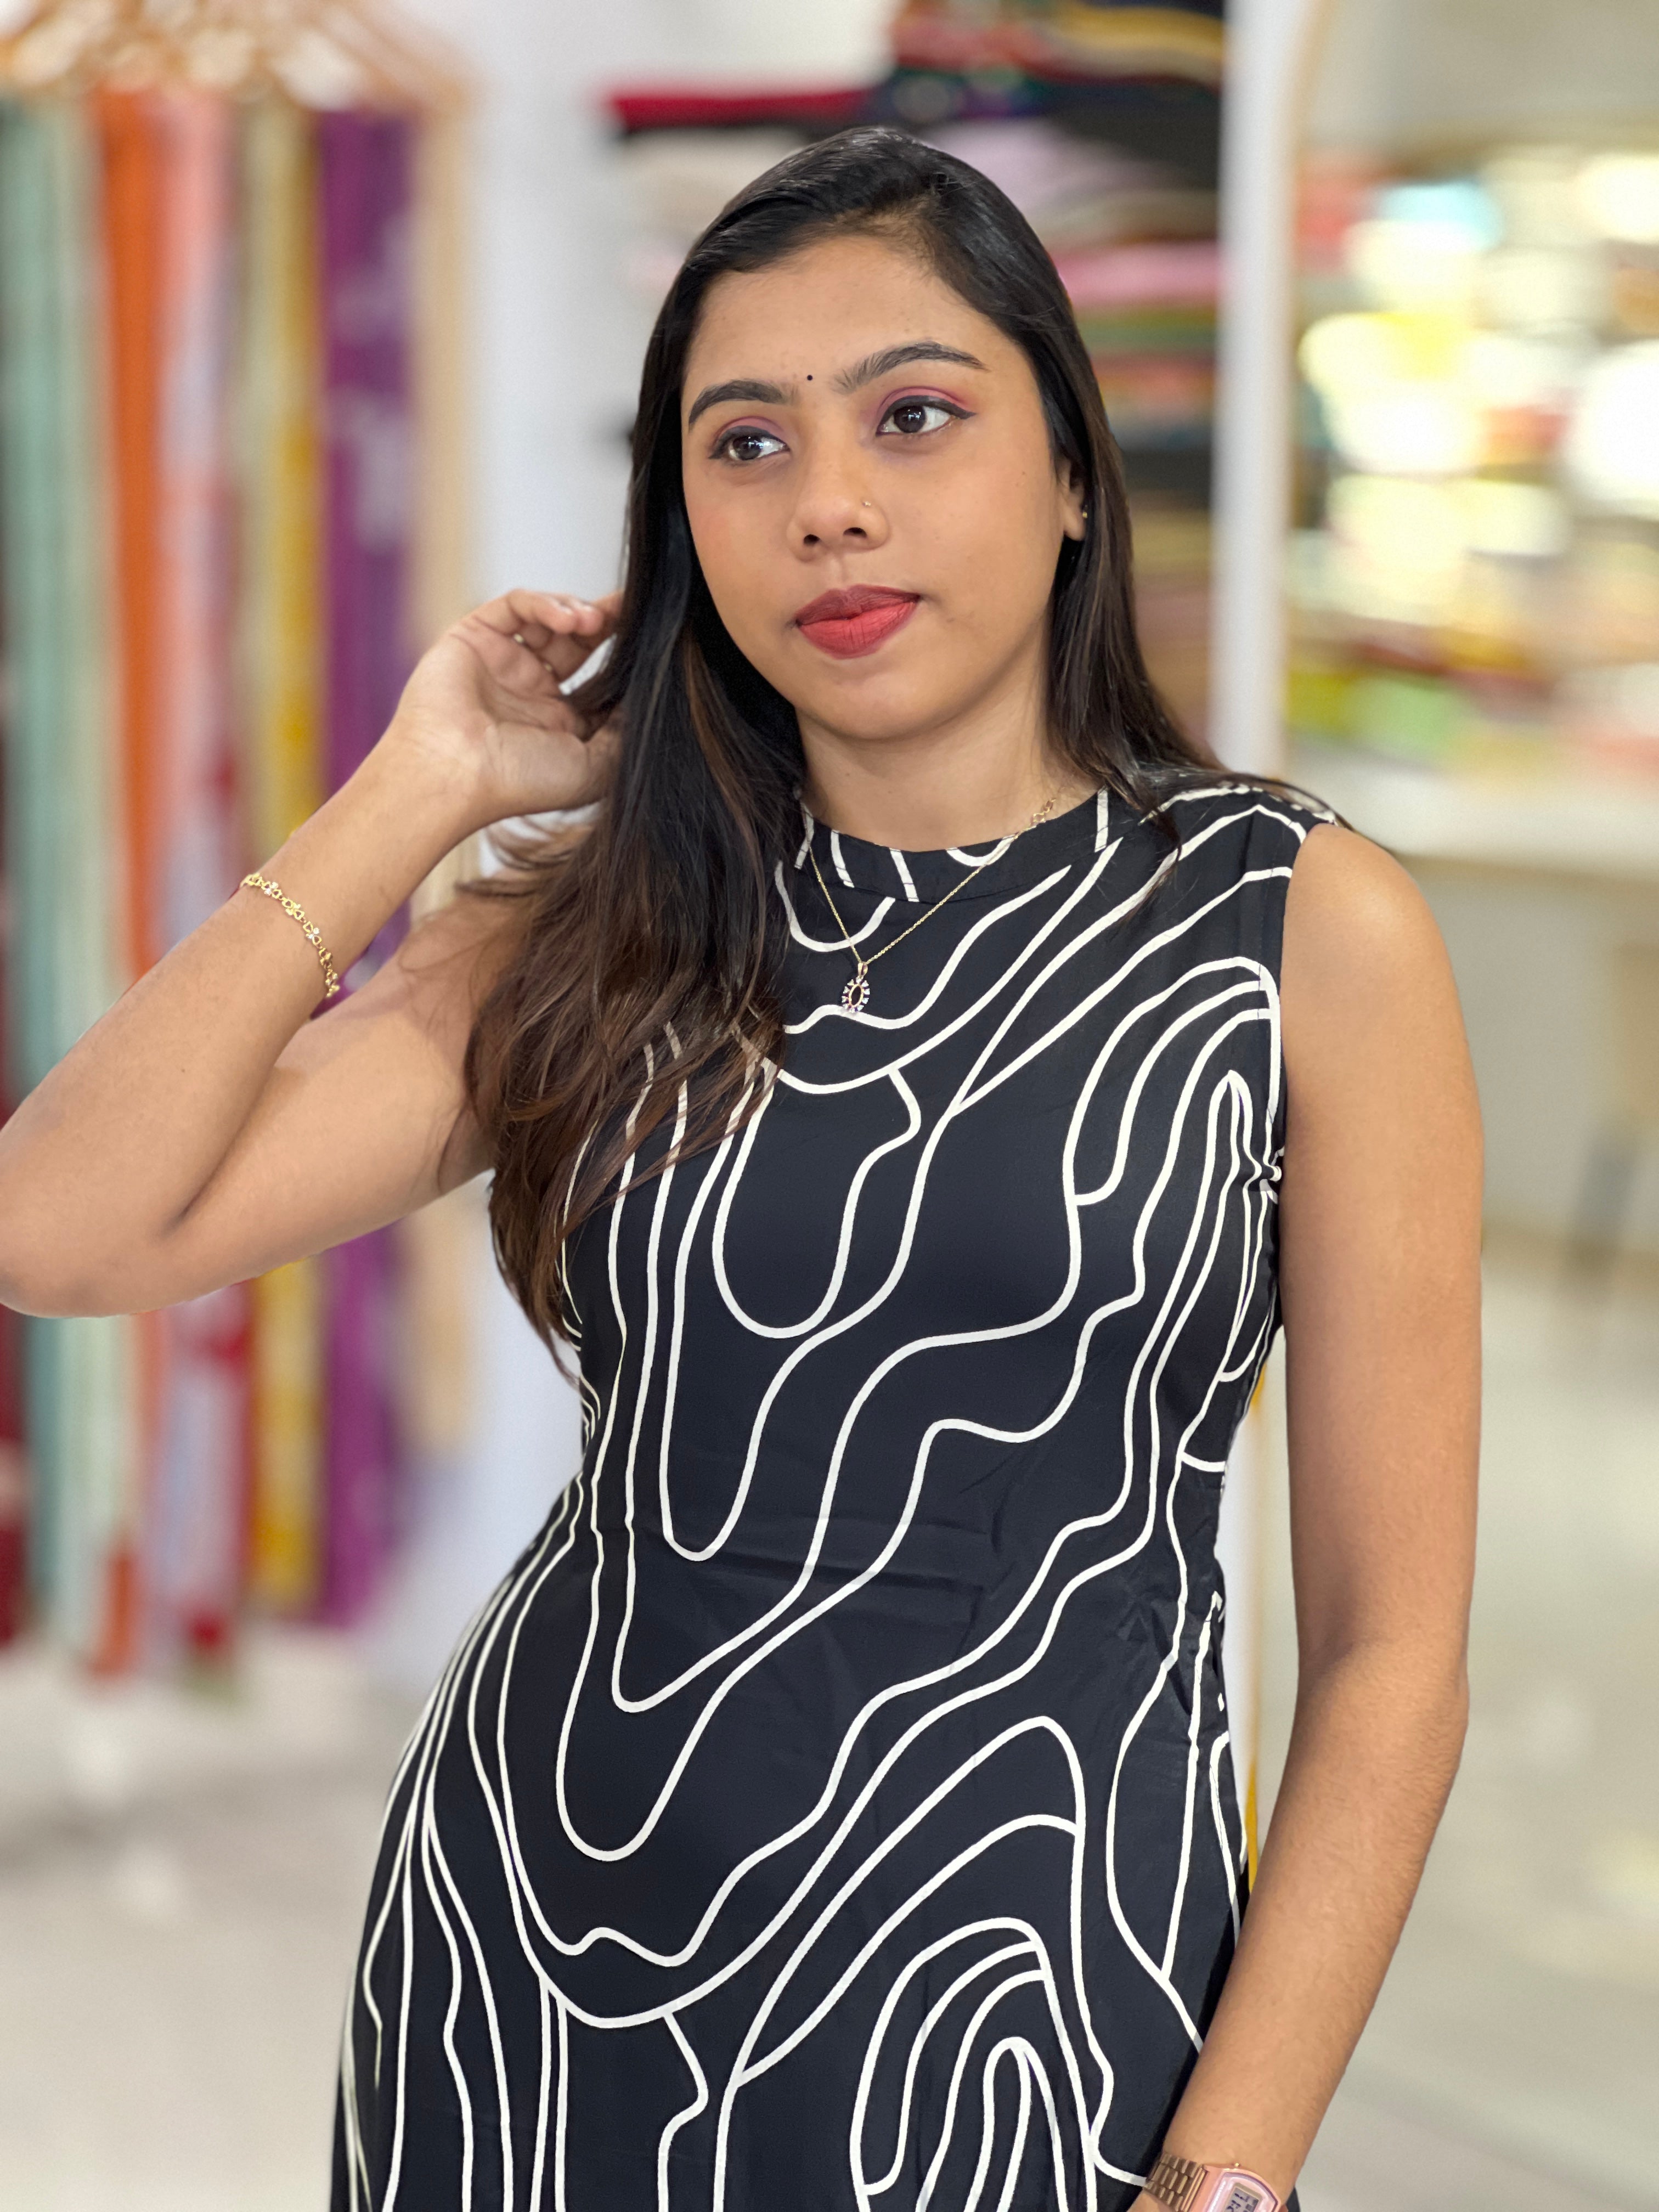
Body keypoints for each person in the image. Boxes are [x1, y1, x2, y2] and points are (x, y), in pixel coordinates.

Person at [0, 128, 1480, 2212]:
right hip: (538, 1982)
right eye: (747, 444)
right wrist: (423, 785)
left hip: (1037, 2009)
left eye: (913, 416)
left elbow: (1394, 1652)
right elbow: (61, 1228)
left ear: (1074, 471)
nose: (829, 502)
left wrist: (1228, 2174)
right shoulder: (600, 928)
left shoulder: (1295, 928)